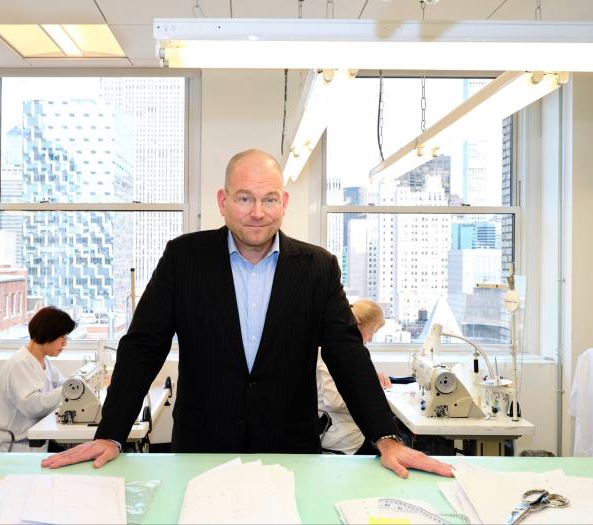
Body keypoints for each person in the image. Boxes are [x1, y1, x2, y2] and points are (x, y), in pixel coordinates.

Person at [42, 149, 451, 479]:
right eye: (244, 198)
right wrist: (111, 434)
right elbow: (143, 348)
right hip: (202, 449)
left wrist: (386, 437)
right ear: (223, 202)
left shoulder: (317, 267)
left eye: (269, 198)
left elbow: (347, 356)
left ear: (284, 202)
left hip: (290, 452)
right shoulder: (183, 259)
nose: (258, 212)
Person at [0, 306, 75, 452]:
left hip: (27, 439)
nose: (65, 343)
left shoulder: (42, 361)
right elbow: (33, 407)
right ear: (49, 334)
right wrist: (69, 390)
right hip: (8, 446)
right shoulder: (20, 364)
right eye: (63, 337)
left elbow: (61, 383)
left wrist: (77, 384)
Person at [317, 299, 393, 455]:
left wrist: (371, 378)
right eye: (373, 331)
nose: (371, 339)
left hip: (348, 429)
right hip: (341, 436)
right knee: (394, 444)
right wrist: (371, 394)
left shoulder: (351, 352)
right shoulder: (328, 350)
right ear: (358, 324)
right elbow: (335, 402)